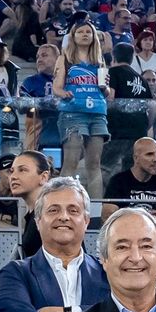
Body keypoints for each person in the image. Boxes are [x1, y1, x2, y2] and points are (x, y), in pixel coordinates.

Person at [0, 176, 109, 312]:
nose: (64, 217)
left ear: (86, 221)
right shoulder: (15, 273)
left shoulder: (107, 272)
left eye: (73, 210)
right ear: (38, 221)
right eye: (53, 210)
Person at [54, 16, 111, 198]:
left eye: (88, 32)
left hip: (97, 113)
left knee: (94, 163)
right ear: (73, 36)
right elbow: (56, 87)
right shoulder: (65, 59)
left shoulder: (99, 61)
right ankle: (63, 200)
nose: (85, 34)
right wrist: (64, 94)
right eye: (80, 31)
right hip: (73, 112)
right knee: (71, 161)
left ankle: (95, 208)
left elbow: (106, 92)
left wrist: (105, 87)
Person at [102, 136, 156, 217]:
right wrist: (143, 215)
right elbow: (107, 215)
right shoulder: (118, 181)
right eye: (149, 154)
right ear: (136, 158)